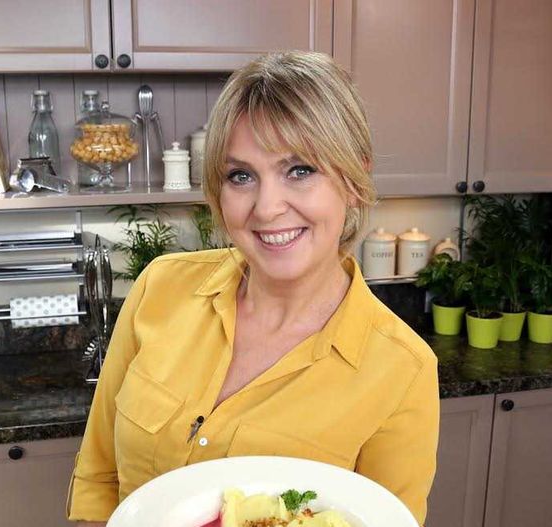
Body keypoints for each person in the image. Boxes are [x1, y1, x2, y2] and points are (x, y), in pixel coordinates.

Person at [67, 51, 439, 526]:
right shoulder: (160, 289)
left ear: (353, 180)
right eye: (240, 176)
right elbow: (98, 479)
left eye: (300, 170)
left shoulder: (402, 371)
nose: (266, 208)